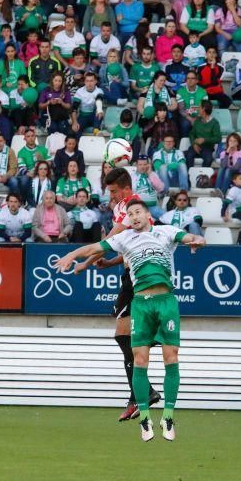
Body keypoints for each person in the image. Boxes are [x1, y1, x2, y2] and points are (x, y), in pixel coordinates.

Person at [56, 197, 205, 441]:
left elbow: (192, 238)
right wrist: (73, 254)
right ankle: (145, 418)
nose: (134, 217)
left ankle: (168, 416)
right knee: (140, 359)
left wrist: (198, 240)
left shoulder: (165, 232)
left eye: (137, 212)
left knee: (171, 356)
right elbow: (94, 248)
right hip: (141, 304)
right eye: (130, 214)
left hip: (166, 301)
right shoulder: (124, 238)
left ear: (148, 216)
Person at [66, 167, 162, 422]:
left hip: (139, 279)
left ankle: (141, 393)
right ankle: (142, 392)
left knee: (125, 335)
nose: (112, 197)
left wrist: (84, 262)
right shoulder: (134, 209)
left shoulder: (130, 207)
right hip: (135, 276)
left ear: (126, 189)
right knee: (123, 336)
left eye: (114, 192)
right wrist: (109, 264)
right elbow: (128, 246)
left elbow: (109, 239)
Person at [17, 128, 51, 200]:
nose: (31, 138)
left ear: (35, 137)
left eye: (32, 136)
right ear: (24, 138)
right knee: (24, 180)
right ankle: (23, 201)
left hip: (43, 172)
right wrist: (34, 173)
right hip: (30, 174)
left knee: (53, 178)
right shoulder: (21, 152)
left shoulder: (43, 149)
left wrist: (42, 160)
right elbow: (22, 169)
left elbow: (50, 163)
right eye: (28, 136)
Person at [186, 99, 222, 168]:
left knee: (208, 159)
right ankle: (190, 177)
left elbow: (218, 138)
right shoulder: (197, 121)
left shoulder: (214, 123)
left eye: (199, 107)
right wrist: (194, 144)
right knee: (188, 156)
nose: (198, 109)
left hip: (207, 148)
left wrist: (204, 140)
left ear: (203, 109)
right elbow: (191, 134)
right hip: (195, 146)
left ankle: (202, 176)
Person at [131, 155, 165, 219]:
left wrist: (150, 174)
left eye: (145, 164)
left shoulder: (153, 174)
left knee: (168, 217)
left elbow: (161, 188)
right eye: (140, 164)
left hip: (152, 207)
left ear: (148, 165)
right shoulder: (132, 176)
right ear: (136, 165)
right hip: (138, 208)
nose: (142, 167)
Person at [176, 71, 208, 137]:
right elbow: (181, 109)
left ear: (197, 80)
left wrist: (197, 118)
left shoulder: (203, 92)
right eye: (188, 78)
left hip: (199, 116)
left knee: (203, 123)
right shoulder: (181, 91)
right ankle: (184, 144)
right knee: (185, 124)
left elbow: (204, 108)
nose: (189, 80)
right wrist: (191, 119)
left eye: (192, 78)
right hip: (186, 116)